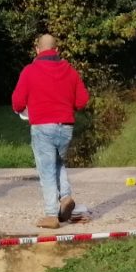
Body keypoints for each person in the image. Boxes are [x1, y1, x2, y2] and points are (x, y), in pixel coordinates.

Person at [11, 34, 90, 229]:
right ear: (57, 50)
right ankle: (65, 197)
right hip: (66, 127)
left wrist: (27, 108)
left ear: (37, 50)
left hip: (42, 127)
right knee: (57, 163)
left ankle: (50, 214)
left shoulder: (30, 71)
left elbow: (17, 102)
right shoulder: (70, 71)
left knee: (46, 169)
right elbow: (82, 100)